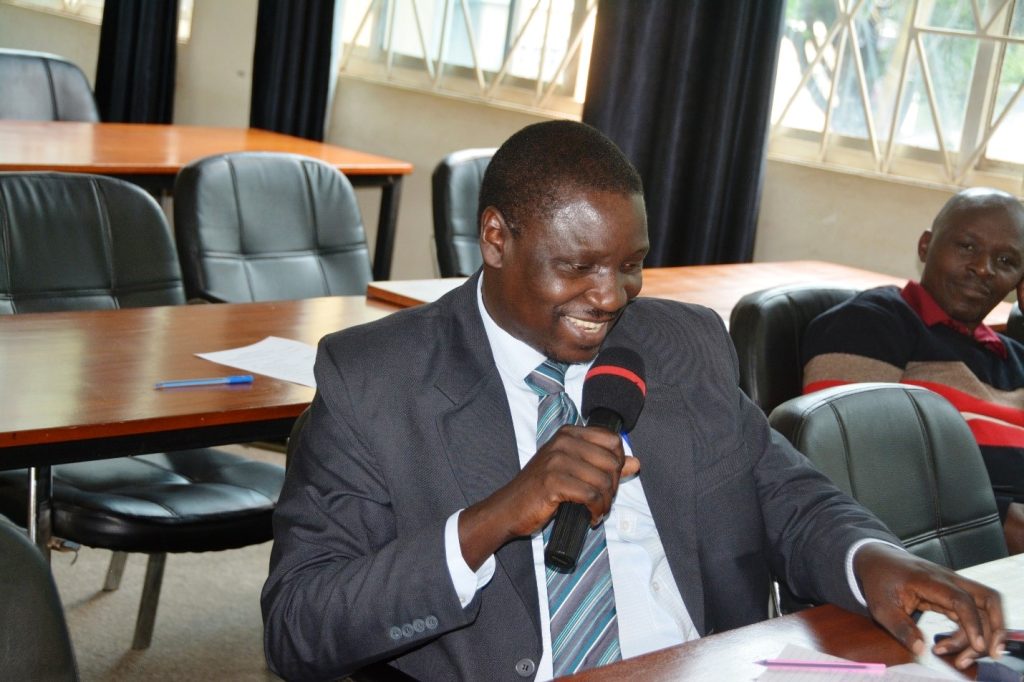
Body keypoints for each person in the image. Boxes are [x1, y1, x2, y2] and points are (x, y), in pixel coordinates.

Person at [262, 121, 1005, 682]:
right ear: (495, 239)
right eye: (578, 266)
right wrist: (491, 519)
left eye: (631, 265)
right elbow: (299, 625)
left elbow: (792, 500)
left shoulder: (682, 344)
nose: (611, 297)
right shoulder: (374, 379)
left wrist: (872, 560)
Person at [803, 187, 1024, 556]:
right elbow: (854, 463)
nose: (983, 268)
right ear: (925, 246)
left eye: (1006, 260)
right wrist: (996, 520)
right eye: (967, 247)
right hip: (949, 549)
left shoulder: (1014, 357)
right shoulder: (871, 324)